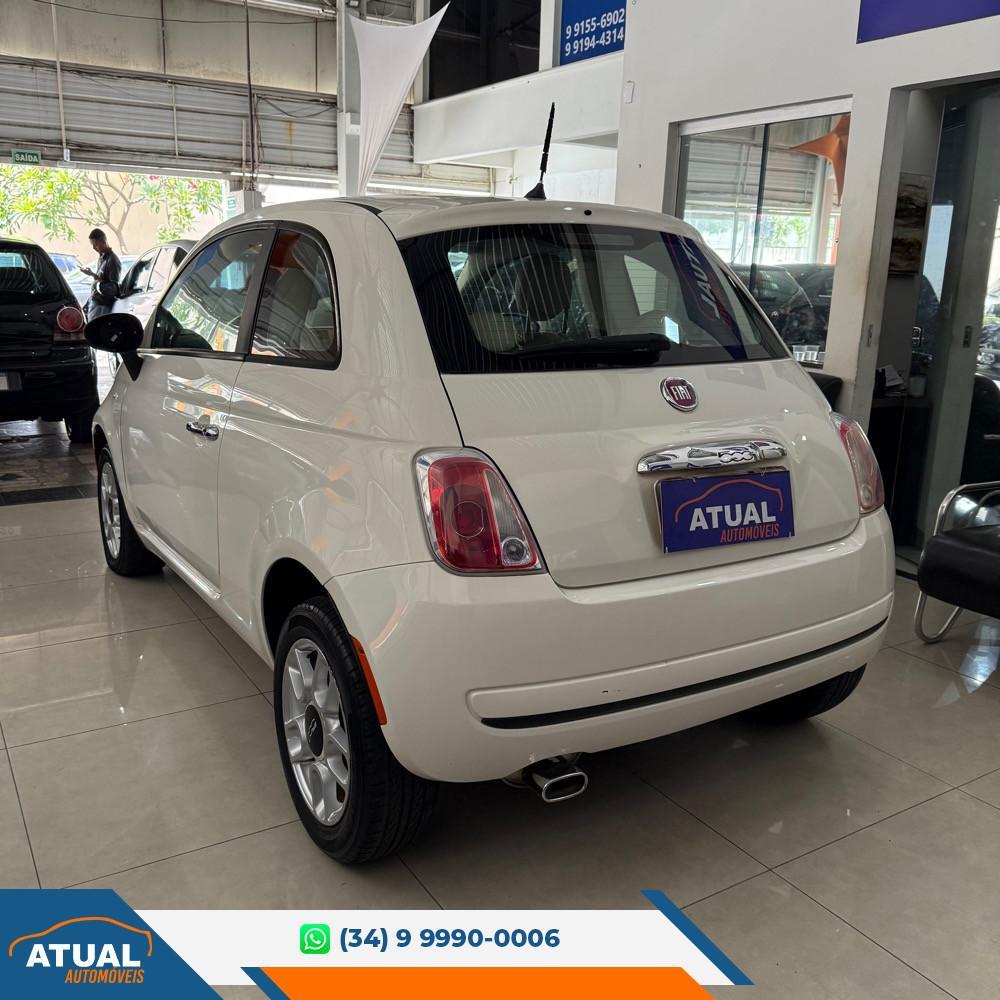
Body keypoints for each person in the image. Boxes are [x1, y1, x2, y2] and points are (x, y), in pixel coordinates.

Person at [80, 228, 121, 320]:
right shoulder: (102, 258)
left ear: (103, 241)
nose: (94, 248)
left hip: (103, 306)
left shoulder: (112, 260)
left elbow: (112, 288)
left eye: (95, 244)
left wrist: (92, 274)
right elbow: (100, 280)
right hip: (96, 303)